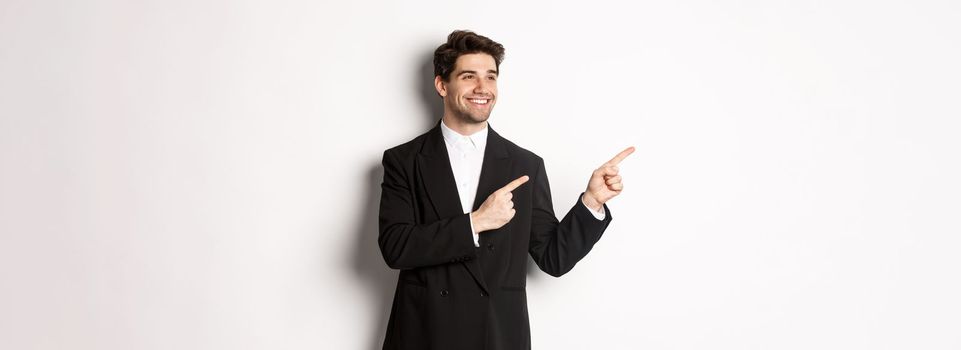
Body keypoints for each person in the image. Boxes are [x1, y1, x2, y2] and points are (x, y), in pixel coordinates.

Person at [378, 30, 634, 350]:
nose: (483, 88)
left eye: (491, 77)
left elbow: (553, 259)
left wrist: (592, 202)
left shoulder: (525, 165)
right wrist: (476, 222)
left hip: (497, 335)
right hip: (424, 332)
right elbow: (395, 247)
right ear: (442, 85)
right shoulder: (404, 160)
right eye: (469, 76)